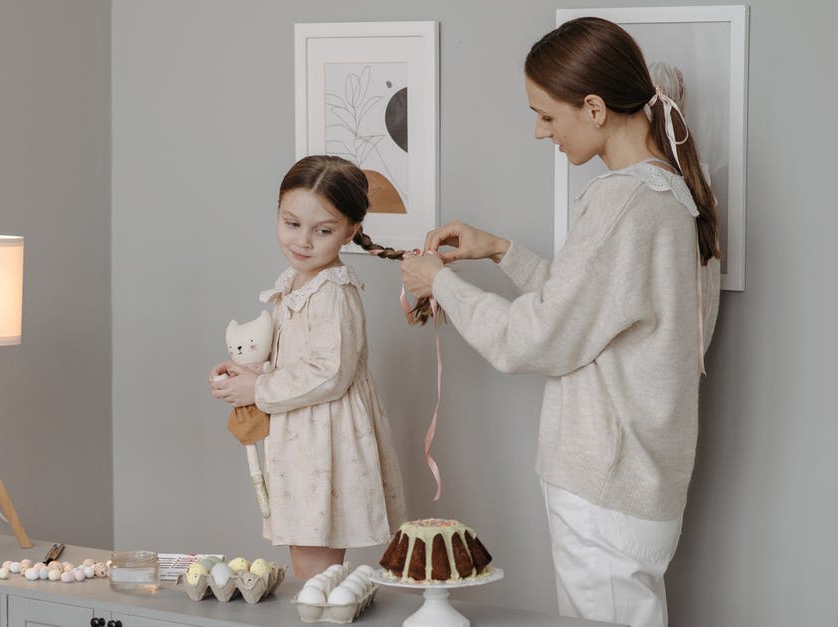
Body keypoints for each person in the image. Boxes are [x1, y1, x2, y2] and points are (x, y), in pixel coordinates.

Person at [400, 17, 721, 627]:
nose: (539, 131)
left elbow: (538, 338)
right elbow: (596, 311)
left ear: (595, 108)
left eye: (547, 115)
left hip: (604, 485)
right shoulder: (671, 195)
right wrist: (500, 250)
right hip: (641, 485)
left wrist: (438, 281)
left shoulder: (623, 200)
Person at [209, 155, 407, 579]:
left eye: (323, 230)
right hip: (302, 431)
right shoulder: (298, 281)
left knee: (314, 558)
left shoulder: (334, 292)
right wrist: (249, 374)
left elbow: (329, 373)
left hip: (324, 438)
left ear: (351, 230)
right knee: (306, 552)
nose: (302, 241)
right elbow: (295, 357)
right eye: (291, 223)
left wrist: (258, 392)